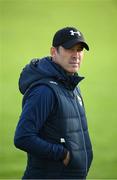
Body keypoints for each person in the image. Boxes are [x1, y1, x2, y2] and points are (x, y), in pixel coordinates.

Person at [14, 26, 93, 179]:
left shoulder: (72, 87)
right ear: (53, 52)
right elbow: (23, 137)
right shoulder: (45, 91)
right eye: (70, 49)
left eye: (80, 50)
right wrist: (62, 154)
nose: (76, 55)